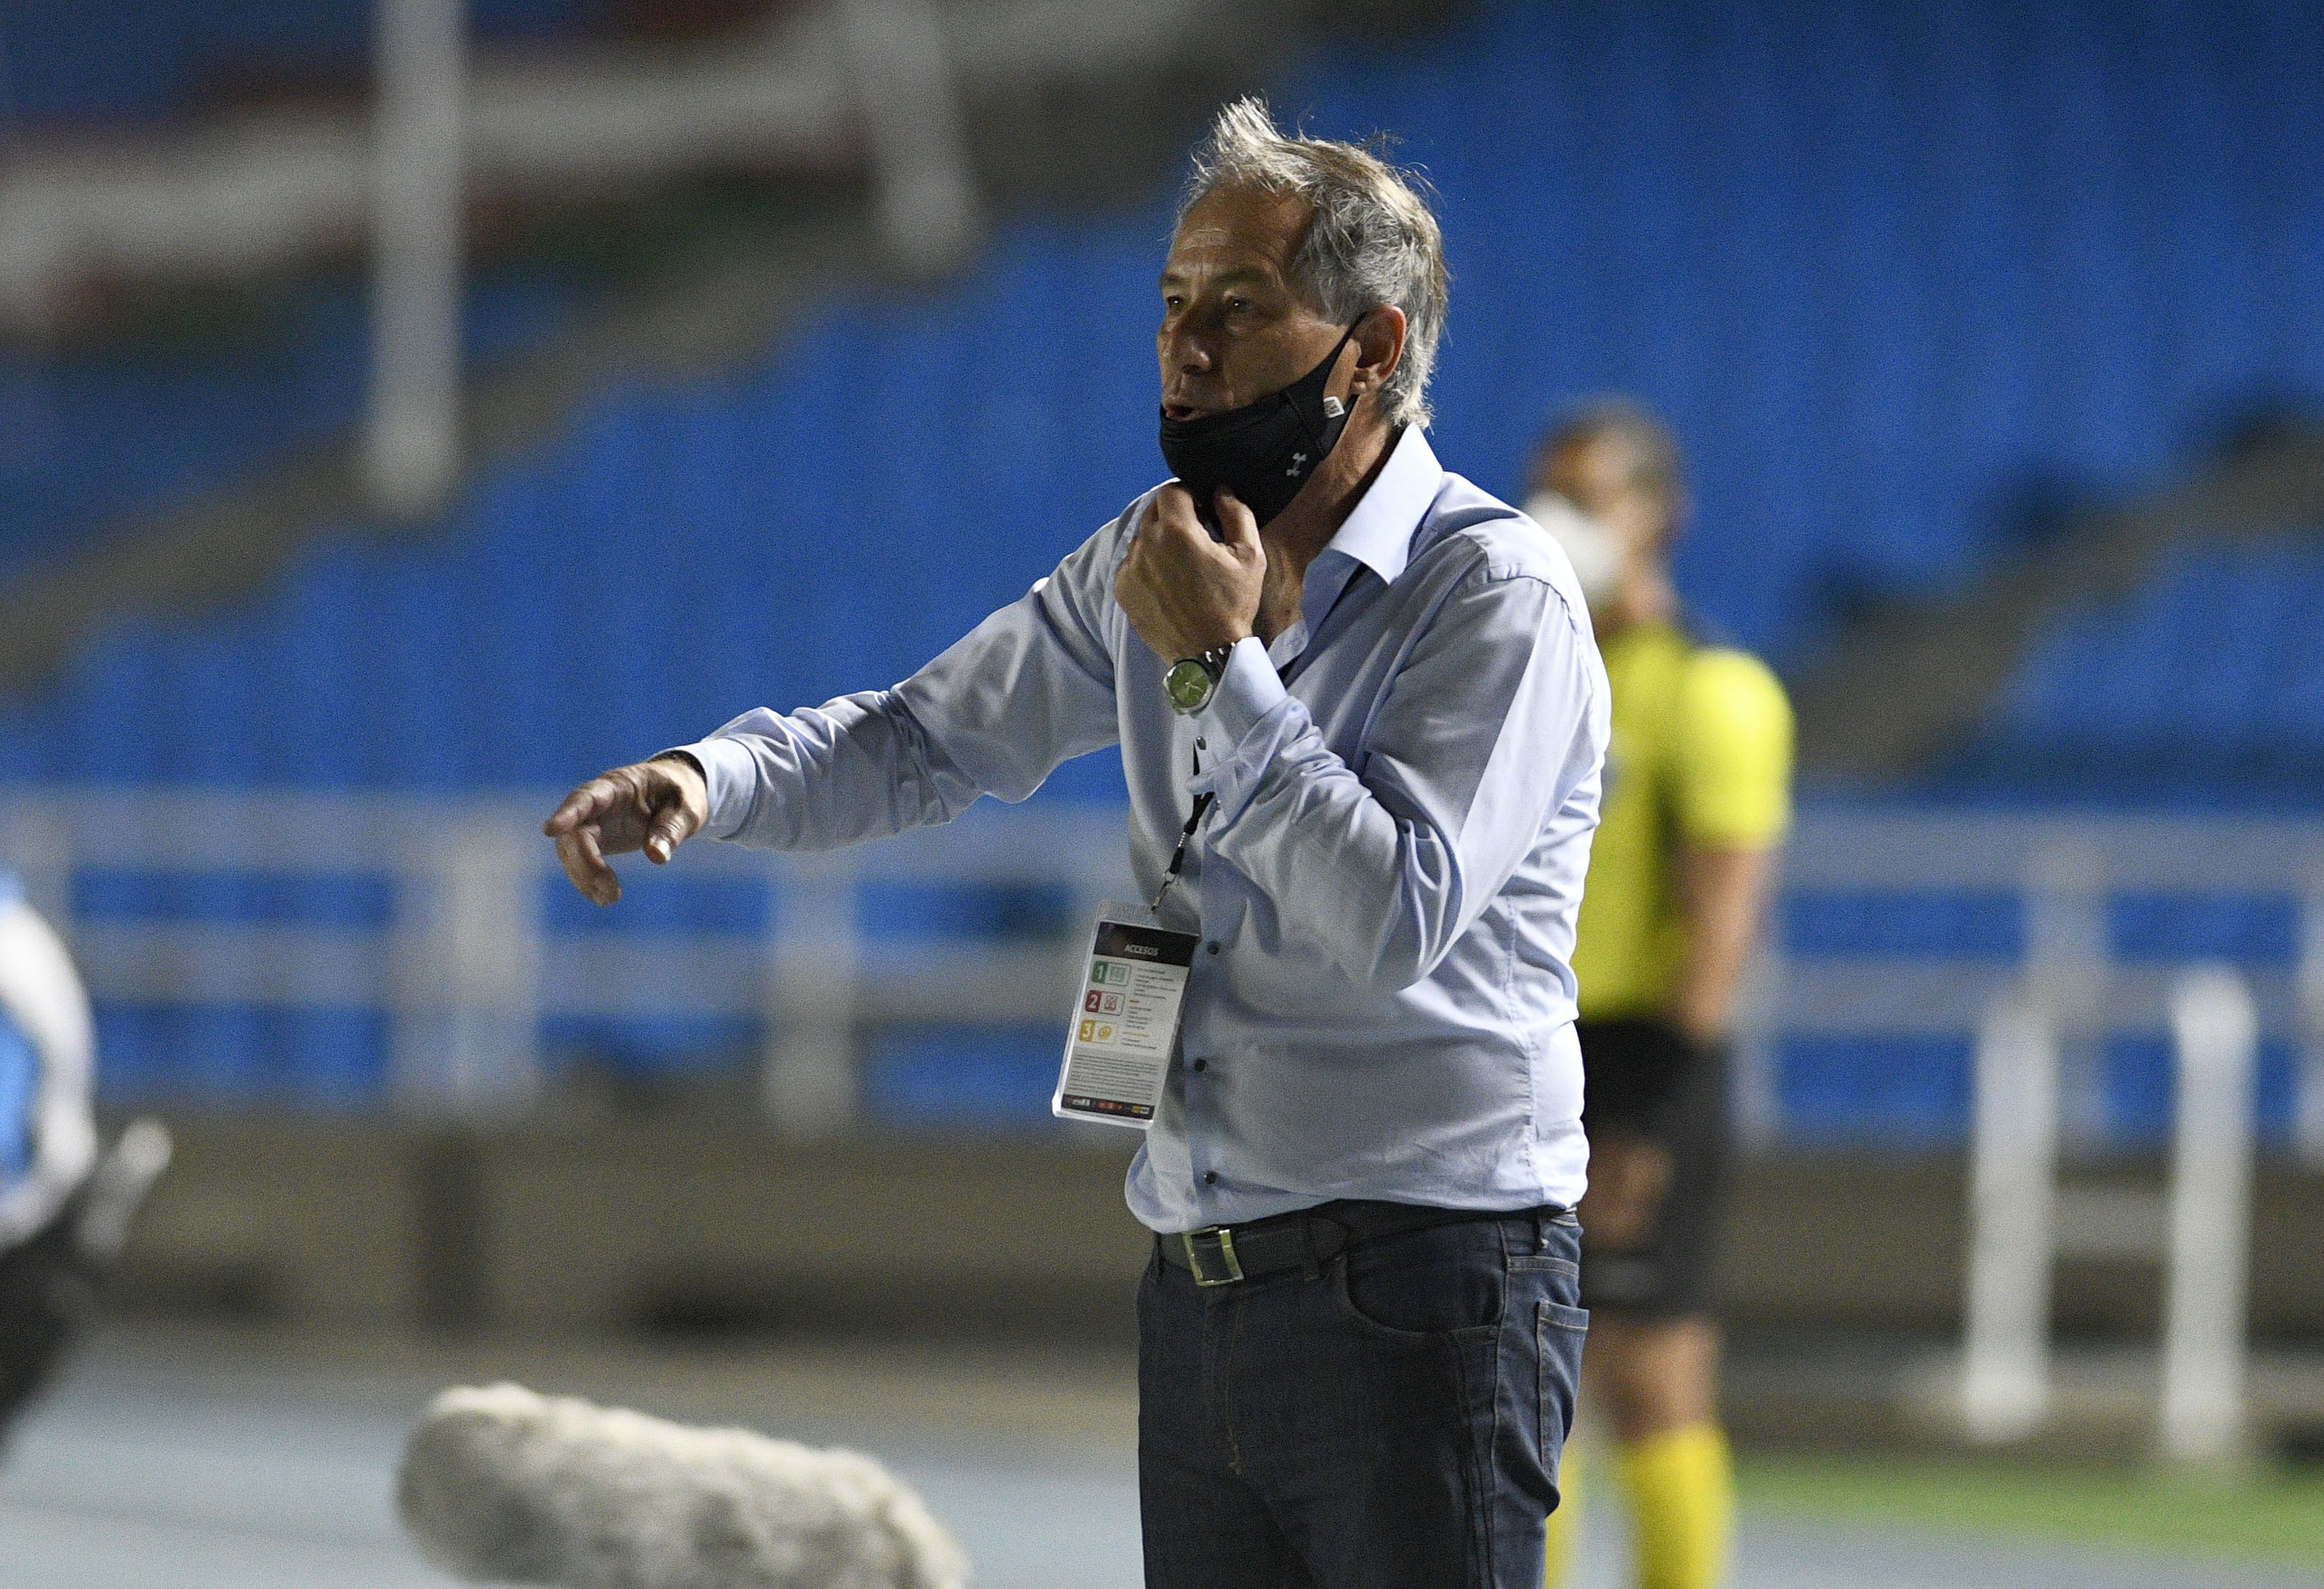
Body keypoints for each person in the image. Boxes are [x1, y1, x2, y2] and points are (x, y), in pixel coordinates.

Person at [545, 99, 1610, 1587]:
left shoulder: (1492, 596)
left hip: (1426, 1278)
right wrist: (705, 776)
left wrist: (1217, 673)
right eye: (1171, 305)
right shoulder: (1147, 554)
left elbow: (1390, 913)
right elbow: (919, 736)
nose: (1185, 346)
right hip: (1201, 1278)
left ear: (1369, 352)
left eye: (1237, 310)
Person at [1526, 403, 1793, 1589]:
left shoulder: (1712, 692)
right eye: (1549, 492)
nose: (1558, 522)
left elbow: (1722, 925)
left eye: (1589, 497)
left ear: (1659, 517)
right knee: (1533, 1367)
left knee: (1651, 1368)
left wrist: (1642, 1112)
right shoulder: (1529, 668)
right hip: (1528, 1041)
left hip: (1642, 1058)